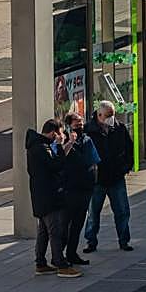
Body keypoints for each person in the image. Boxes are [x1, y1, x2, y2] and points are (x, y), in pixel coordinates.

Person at [25, 119, 81, 278]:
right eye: (61, 132)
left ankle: (41, 263)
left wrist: (65, 146)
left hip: (41, 195)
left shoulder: (37, 146)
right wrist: (61, 148)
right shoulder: (42, 148)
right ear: (53, 133)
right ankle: (60, 263)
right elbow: (56, 165)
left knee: (43, 231)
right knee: (55, 231)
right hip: (49, 196)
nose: (62, 136)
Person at [84, 100, 135, 252]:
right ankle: (91, 241)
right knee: (93, 213)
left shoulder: (119, 129)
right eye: (108, 115)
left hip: (116, 178)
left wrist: (125, 168)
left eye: (112, 115)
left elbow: (129, 149)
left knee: (122, 211)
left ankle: (124, 240)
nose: (111, 118)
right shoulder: (89, 130)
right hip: (97, 181)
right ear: (99, 115)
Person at [61, 112, 99, 265]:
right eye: (76, 123)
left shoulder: (87, 140)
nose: (80, 125)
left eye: (81, 122)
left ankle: (71, 253)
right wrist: (70, 142)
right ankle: (58, 255)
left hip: (84, 188)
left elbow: (94, 162)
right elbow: (59, 158)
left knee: (77, 225)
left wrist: (93, 181)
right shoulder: (63, 141)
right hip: (70, 189)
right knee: (65, 225)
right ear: (69, 125)